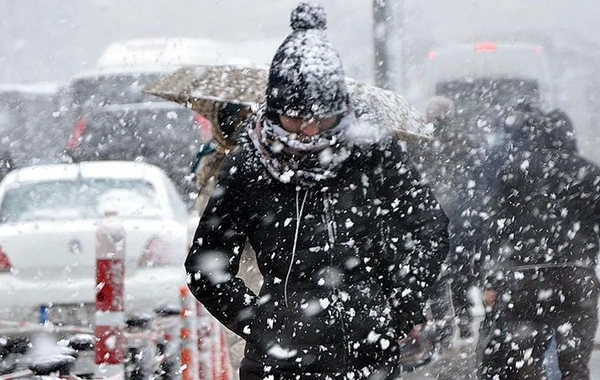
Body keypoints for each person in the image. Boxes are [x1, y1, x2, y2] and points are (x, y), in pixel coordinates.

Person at [185, 2, 450, 379]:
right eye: (295, 119)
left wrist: (401, 305)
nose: (309, 132)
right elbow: (205, 267)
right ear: (274, 111)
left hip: (369, 355)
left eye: (321, 119)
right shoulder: (249, 165)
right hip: (280, 364)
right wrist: (263, 325)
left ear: (341, 109)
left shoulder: (371, 152)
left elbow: (429, 226)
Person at [476, 105, 600, 380]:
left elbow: (495, 227)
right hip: (576, 275)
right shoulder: (588, 172)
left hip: (525, 278)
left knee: (526, 361)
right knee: (575, 365)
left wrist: (493, 280)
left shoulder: (514, 171)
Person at [416, 96, 480, 340]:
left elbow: (417, 173)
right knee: (459, 267)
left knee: (438, 271)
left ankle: (444, 325)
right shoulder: (462, 139)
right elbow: (471, 174)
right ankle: (463, 316)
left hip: (432, 213)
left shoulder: (421, 139)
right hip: (458, 213)